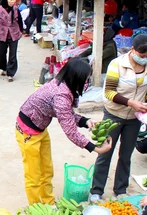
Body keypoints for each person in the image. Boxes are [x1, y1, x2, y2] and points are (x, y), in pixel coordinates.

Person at [17, 59, 113, 204]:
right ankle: (36, 208)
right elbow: (70, 131)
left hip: (40, 129)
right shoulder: (60, 96)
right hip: (27, 132)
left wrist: (85, 121)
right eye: (86, 79)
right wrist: (94, 148)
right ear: (76, 77)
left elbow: (66, 113)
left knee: (47, 170)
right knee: (34, 175)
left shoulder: (63, 85)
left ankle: (48, 202)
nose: (87, 83)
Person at [90, 34, 147, 202]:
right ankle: (96, 190)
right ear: (133, 50)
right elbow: (109, 92)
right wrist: (130, 102)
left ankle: (120, 189)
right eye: (142, 56)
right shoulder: (117, 65)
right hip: (113, 114)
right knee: (105, 153)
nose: (145, 59)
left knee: (126, 156)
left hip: (134, 118)